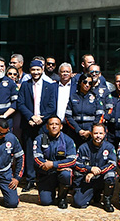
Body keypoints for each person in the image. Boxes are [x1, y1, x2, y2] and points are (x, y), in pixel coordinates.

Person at [17, 59, 58, 190]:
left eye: (38, 70)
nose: (35, 72)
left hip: (43, 124)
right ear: (30, 70)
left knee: (44, 151)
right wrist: (31, 117)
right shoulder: (25, 85)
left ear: (42, 70)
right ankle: (30, 179)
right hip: (29, 124)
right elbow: (20, 104)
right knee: (29, 152)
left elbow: (52, 106)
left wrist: (41, 118)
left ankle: (44, 178)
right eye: (33, 70)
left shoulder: (50, 86)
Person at [32, 115, 77, 208]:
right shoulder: (40, 139)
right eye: (51, 124)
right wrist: (53, 167)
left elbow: (72, 160)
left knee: (66, 174)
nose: (54, 126)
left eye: (56, 124)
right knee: (45, 201)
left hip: (61, 172)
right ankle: (50, 194)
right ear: (47, 127)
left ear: (61, 126)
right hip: (46, 173)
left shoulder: (68, 140)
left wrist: (54, 165)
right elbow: (37, 159)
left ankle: (62, 197)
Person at [73, 122, 117, 211]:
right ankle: (94, 194)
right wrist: (90, 169)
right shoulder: (83, 147)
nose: (98, 136)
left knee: (111, 175)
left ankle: (107, 201)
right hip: (87, 179)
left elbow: (112, 164)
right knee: (78, 203)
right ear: (91, 134)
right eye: (95, 133)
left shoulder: (109, 147)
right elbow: (76, 165)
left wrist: (96, 172)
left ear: (105, 134)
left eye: (100, 133)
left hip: (101, 178)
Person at [64, 73, 105, 147]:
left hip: (90, 133)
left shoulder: (96, 97)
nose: (87, 85)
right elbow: (68, 116)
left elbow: (100, 115)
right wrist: (78, 130)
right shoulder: (73, 97)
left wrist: (90, 131)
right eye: (85, 82)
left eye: (90, 83)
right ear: (80, 83)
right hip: (75, 132)